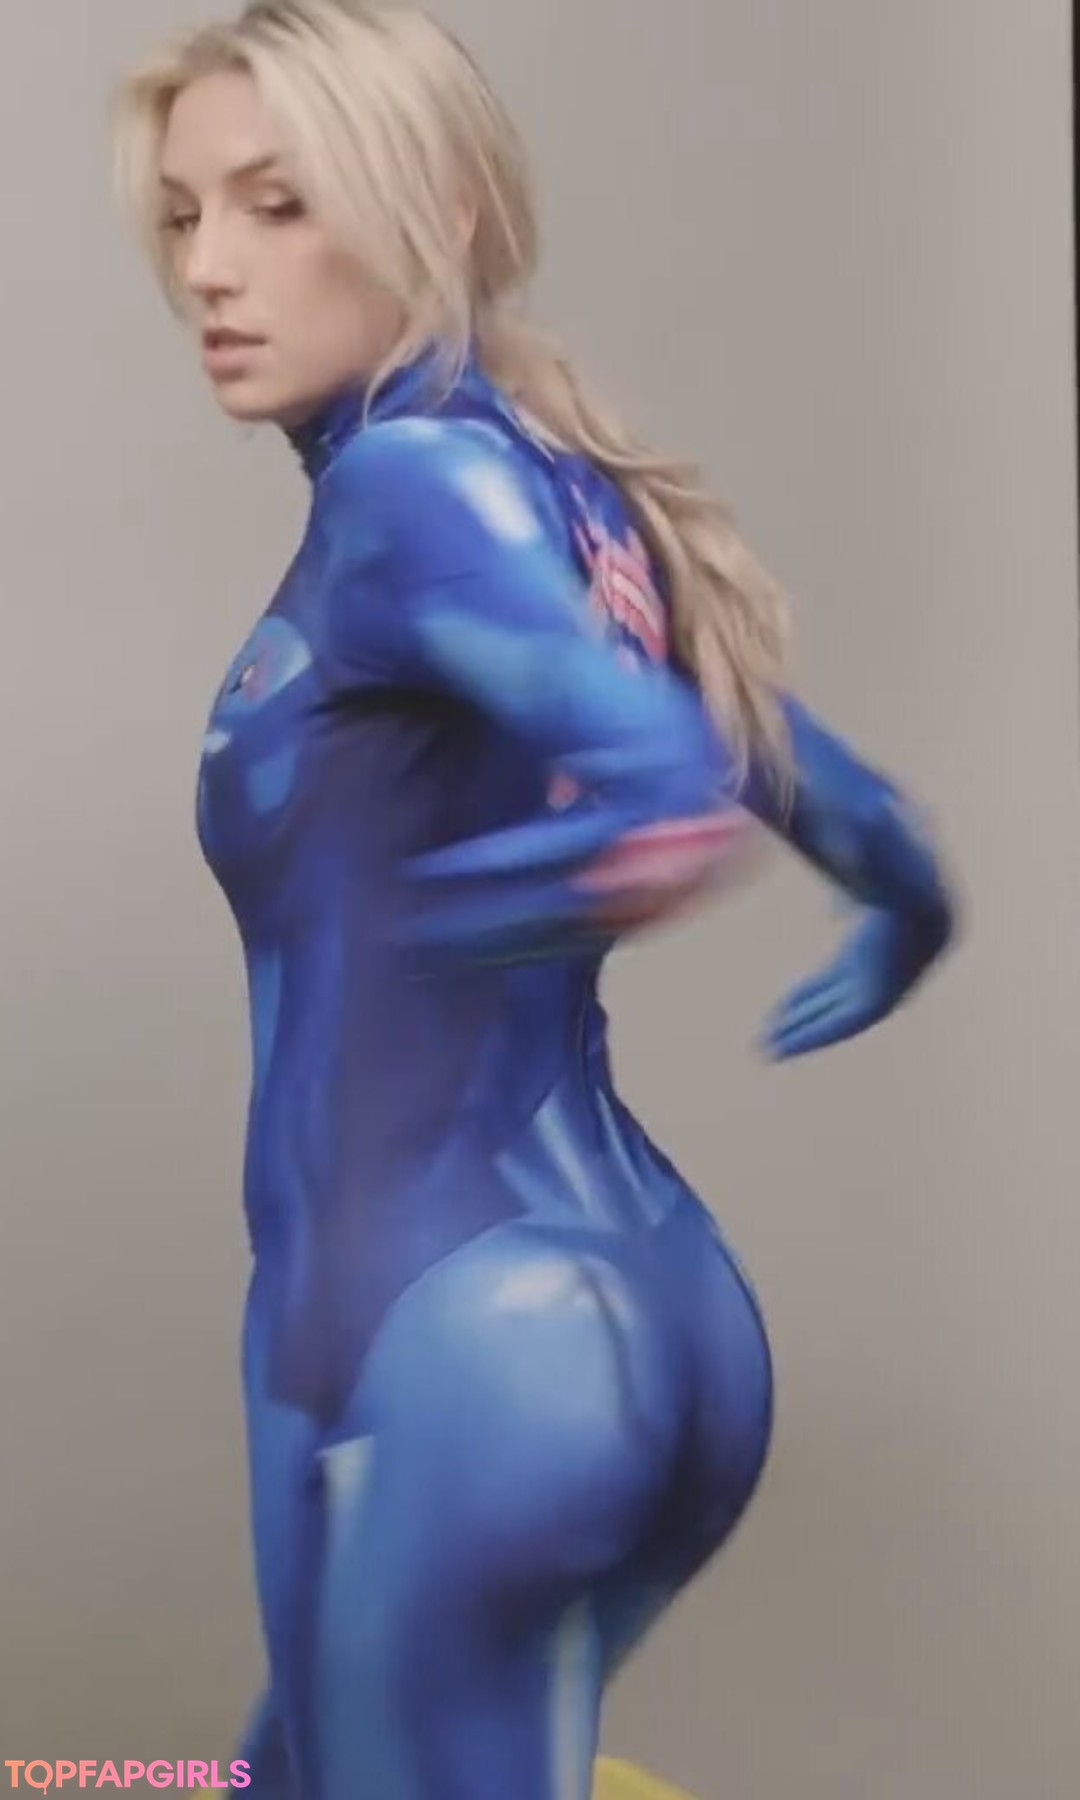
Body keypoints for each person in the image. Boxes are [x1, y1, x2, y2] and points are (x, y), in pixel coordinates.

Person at [111, 4, 956, 1797]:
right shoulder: (554, 481)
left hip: (460, 1343)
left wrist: (561, 877)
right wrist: (904, 905)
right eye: (184, 215)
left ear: (436, 212)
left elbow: (664, 777)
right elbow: (808, 779)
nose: (208, 269)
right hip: (616, 1311)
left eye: (276, 202)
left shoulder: (410, 486)